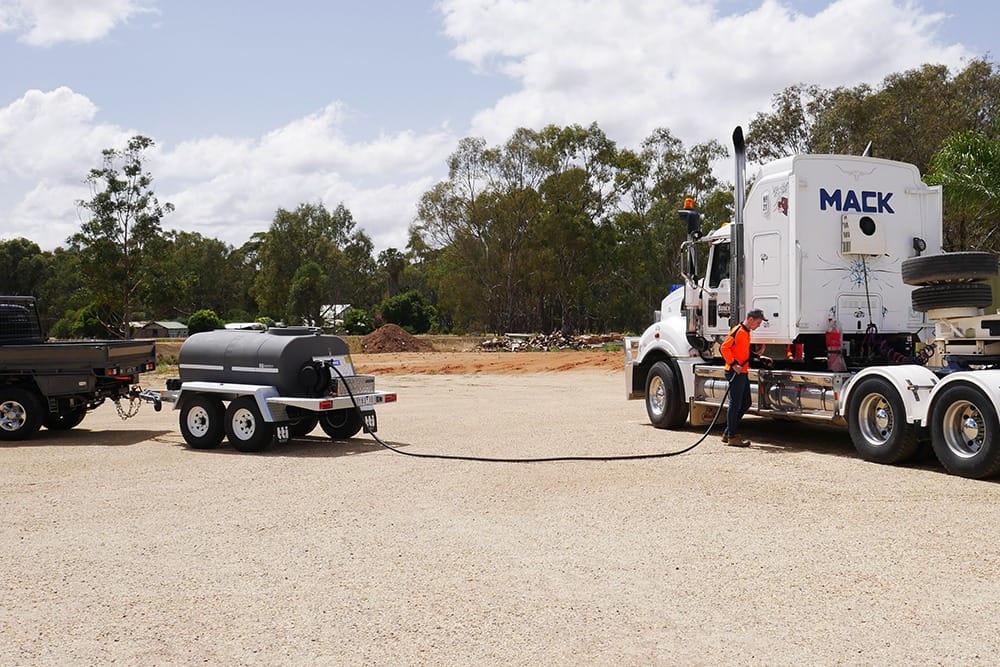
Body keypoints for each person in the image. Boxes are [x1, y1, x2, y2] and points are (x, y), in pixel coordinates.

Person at [719, 308, 768, 447]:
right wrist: (733, 364)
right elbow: (724, 348)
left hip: (742, 372)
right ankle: (732, 437)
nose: (758, 326)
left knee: (745, 402)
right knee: (735, 404)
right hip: (735, 372)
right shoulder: (738, 331)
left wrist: (758, 356)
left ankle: (728, 432)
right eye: (758, 323)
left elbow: (742, 351)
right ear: (751, 320)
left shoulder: (746, 332)